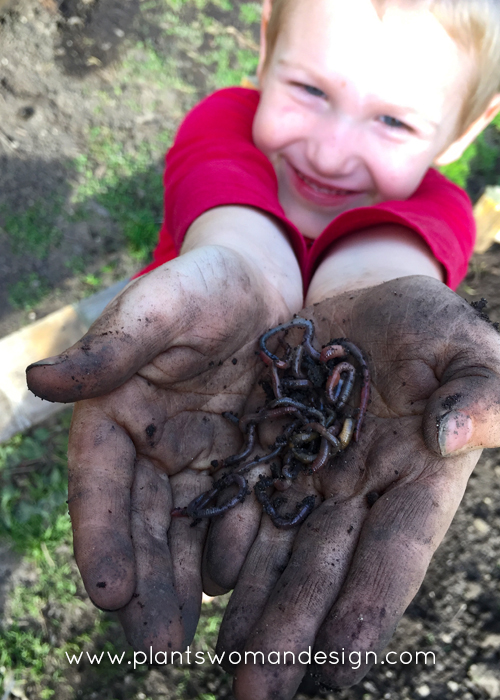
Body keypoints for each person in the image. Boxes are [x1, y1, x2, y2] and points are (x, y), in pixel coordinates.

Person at [26, 0, 500, 698]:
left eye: (394, 121)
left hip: (257, 442)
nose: (331, 153)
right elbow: (224, 190)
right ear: (265, 43)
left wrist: (377, 284)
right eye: (310, 90)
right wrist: (241, 254)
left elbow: (390, 251)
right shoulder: (222, 123)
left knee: (237, 545)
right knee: (200, 539)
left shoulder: (444, 210)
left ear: (464, 133)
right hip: (185, 372)